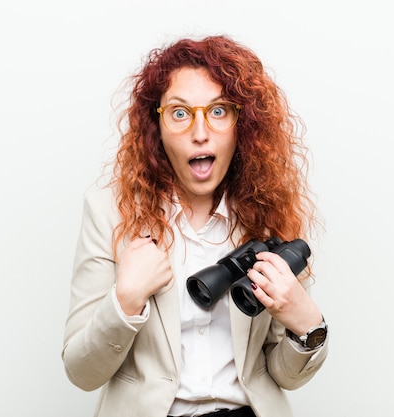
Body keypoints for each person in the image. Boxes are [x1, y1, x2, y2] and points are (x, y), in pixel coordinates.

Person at [62, 35, 329, 417]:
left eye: (218, 111)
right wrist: (126, 298)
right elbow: (81, 371)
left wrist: (307, 325)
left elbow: (283, 376)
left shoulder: (268, 214)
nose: (200, 132)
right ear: (157, 126)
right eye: (180, 113)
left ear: (243, 125)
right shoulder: (109, 213)